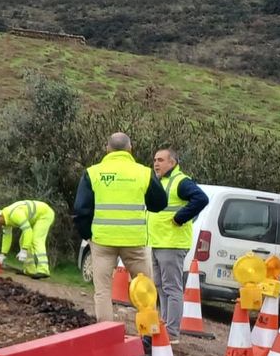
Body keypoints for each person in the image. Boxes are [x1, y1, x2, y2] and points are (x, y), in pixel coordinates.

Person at [73, 133, 168, 326]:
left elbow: (81, 209)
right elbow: (159, 203)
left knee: (103, 291)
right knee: (144, 288)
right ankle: (149, 332)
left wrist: (87, 235)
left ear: (107, 149)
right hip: (134, 241)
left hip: (102, 241)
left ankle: (105, 334)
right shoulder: (143, 172)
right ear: (130, 149)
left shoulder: (93, 173)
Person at [148, 147, 210, 341]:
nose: (156, 163)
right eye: (155, 160)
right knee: (160, 286)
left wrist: (180, 218)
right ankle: (165, 325)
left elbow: (201, 198)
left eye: (160, 160)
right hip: (158, 241)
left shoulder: (181, 181)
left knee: (172, 288)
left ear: (172, 163)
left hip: (172, 243)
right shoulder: (161, 181)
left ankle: (172, 332)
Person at [0, 199, 55, 277]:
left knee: (36, 239)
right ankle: (30, 270)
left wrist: (24, 250)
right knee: (22, 241)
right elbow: (7, 237)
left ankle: (44, 270)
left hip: (44, 214)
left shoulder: (14, 214)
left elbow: (28, 231)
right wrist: (2, 255)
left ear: (0, 216)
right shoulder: (5, 221)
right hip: (34, 218)